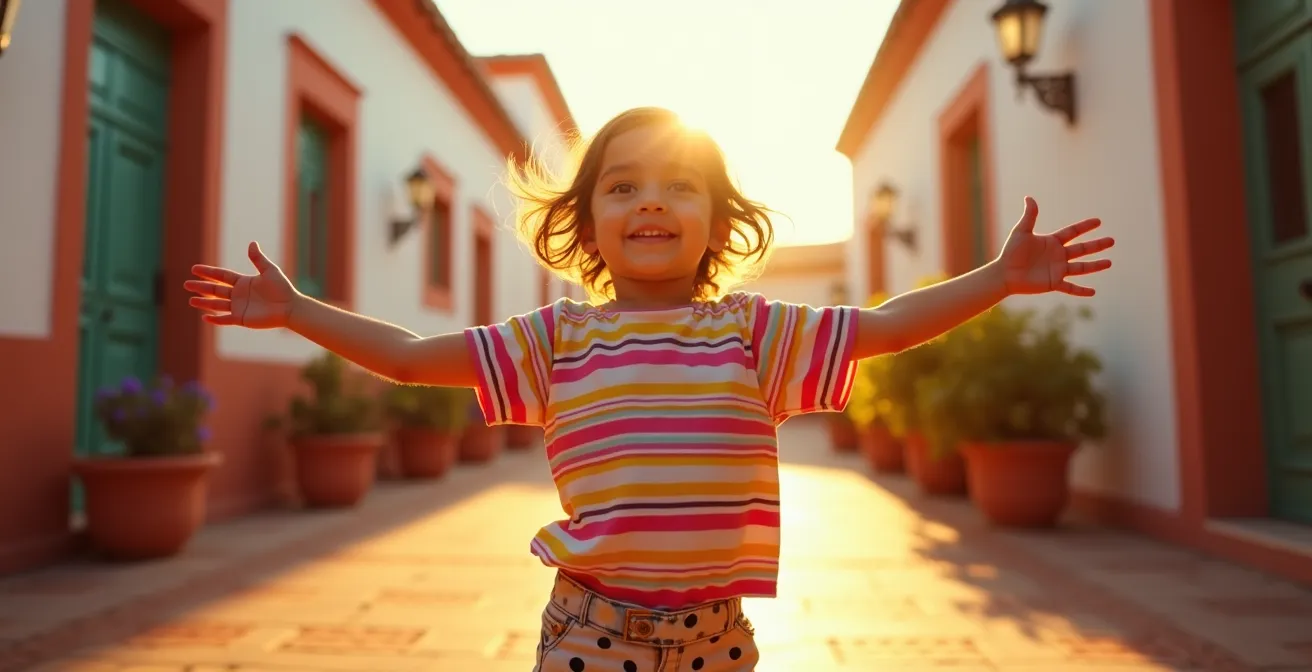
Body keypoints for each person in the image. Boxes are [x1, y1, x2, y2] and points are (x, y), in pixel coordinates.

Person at [185, 107, 1113, 672]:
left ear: (716, 223)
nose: (652, 202)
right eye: (623, 187)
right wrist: (301, 311)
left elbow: (882, 328)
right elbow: (411, 354)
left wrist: (996, 279)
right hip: (592, 629)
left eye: (679, 185)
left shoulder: (754, 332)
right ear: (590, 222)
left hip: (719, 635)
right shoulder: (559, 340)